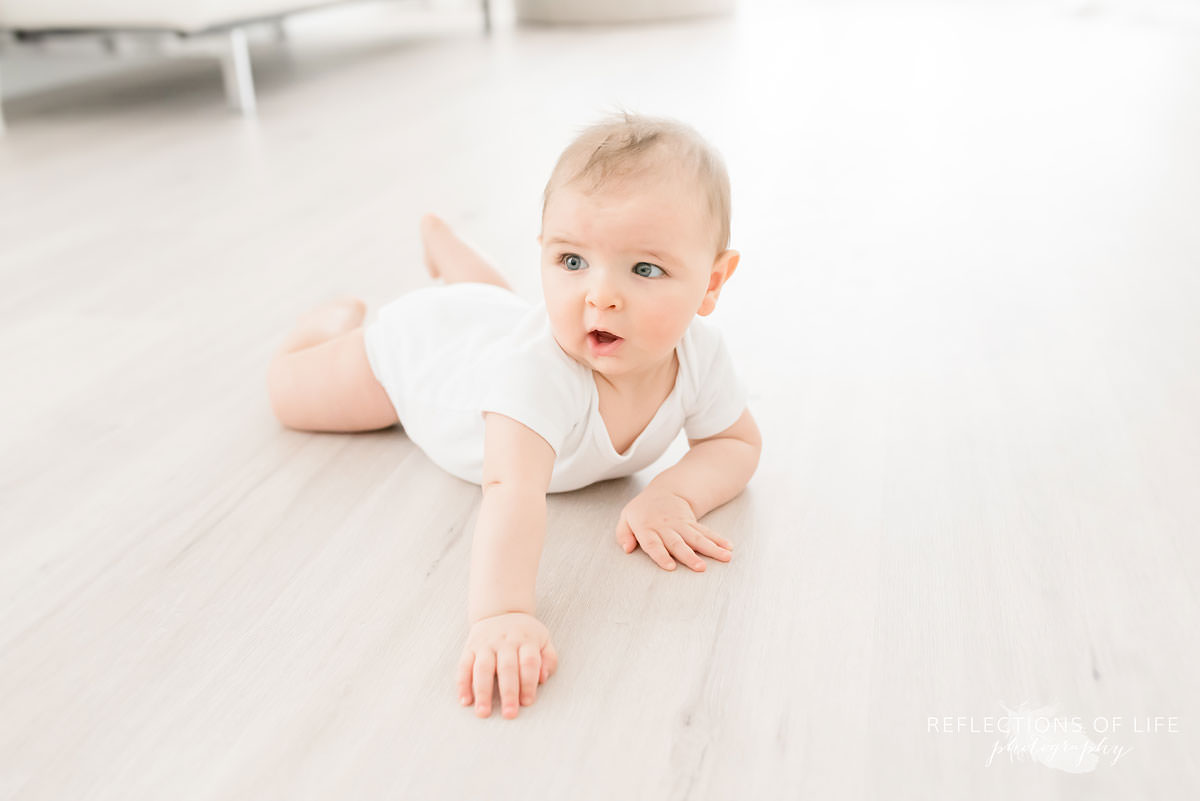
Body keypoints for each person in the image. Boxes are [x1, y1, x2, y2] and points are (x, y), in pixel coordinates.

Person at [266, 111, 761, 720]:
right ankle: (322, 329)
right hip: (422, 358)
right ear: (546, 253)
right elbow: (511, 490)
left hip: (493, 322)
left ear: (712, 283)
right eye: (571, 261)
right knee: (289, 395)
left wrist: (673, 495)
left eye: (645, 269)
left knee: (496, 307)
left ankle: (447, 251)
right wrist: (501, 614)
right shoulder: (535, 376)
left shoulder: (698, 353)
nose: (600, 294)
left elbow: (735, 442)